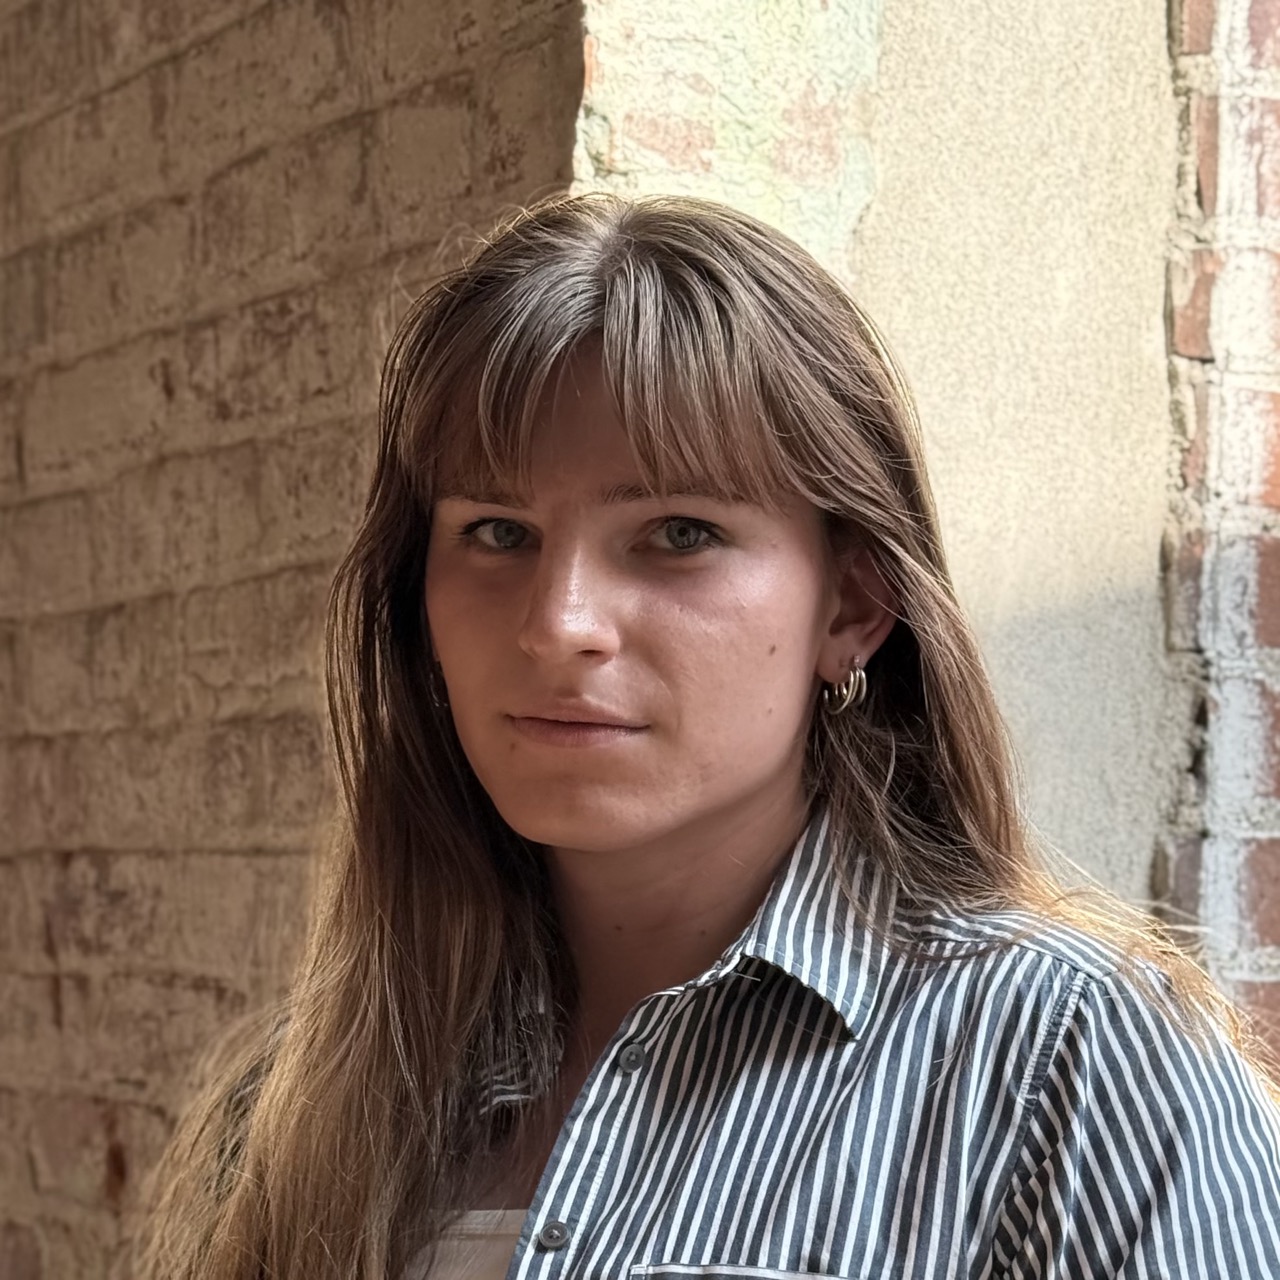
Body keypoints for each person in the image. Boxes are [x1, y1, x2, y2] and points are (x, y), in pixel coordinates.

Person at [134, 192, 1280, 1280]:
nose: (559, 623)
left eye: (677, 532)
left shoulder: (1078, 1076)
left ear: (851, 604)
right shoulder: (298, 1102)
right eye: (497, 530)